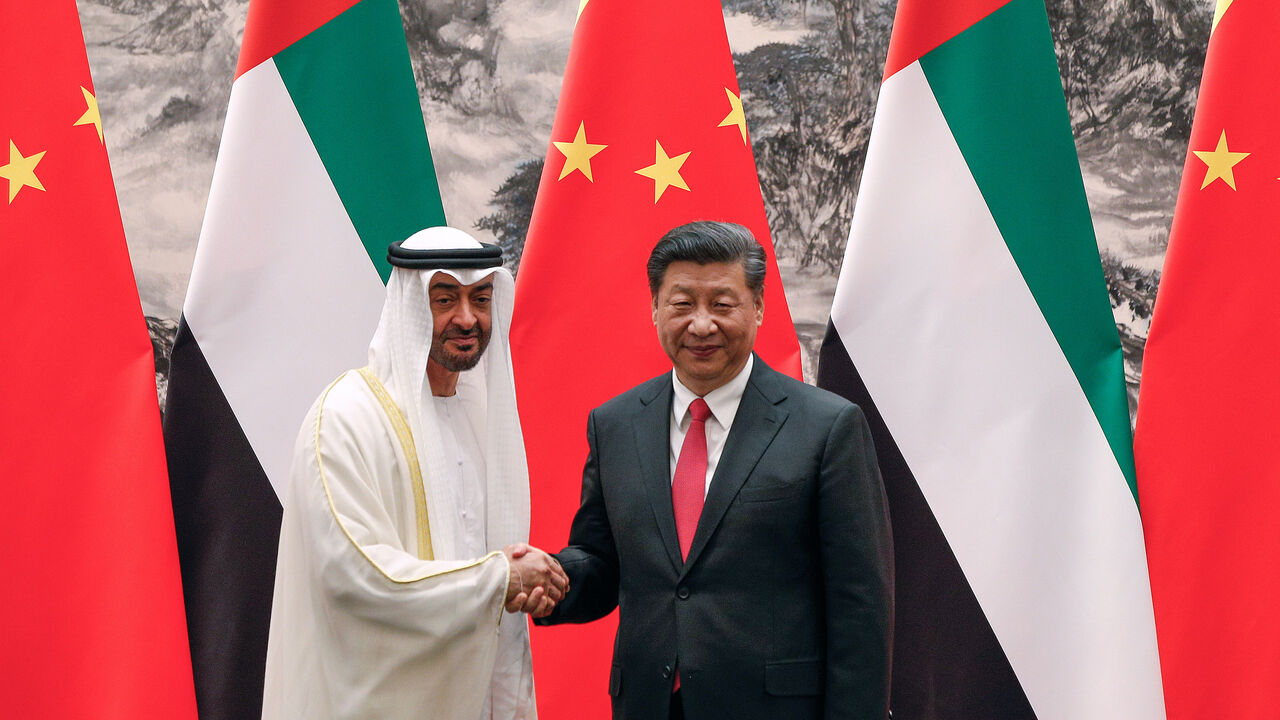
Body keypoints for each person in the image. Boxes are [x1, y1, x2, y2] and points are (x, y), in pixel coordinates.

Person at [535, 221, 894, 719]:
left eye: (722, 305)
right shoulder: (615, 425)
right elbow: (603, 562)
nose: (701, 325)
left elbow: (860, 610)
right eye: (682, 304)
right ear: (655, 309)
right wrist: (548, 580)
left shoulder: (828, 428)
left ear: (759, 307)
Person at [263, 226, 568, 720]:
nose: (467, 318)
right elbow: (358, 576)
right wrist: (500, 579)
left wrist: (524, 581)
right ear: (407, 307)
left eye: (481, 298)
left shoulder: (475, 415)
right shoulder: (346, 418)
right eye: (444, 298)